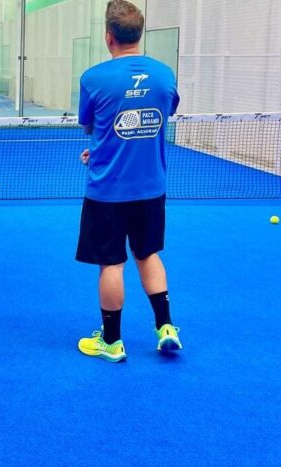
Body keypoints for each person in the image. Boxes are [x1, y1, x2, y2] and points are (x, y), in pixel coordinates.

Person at [76, 0, 181, 363]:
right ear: (140, 34)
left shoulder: (93, 78)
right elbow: (157, 118)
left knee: (112, 264)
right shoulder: (166, 74)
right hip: (151, 189)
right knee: (148, 254)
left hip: (107, 192)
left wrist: (100, 150)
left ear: (109, 37)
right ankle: (166, 327)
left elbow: (92, 126)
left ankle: (112, 342)